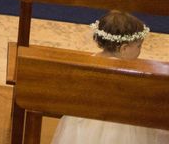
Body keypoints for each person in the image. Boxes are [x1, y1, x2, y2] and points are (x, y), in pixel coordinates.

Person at [52, 11, 169, 144]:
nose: (140, 51)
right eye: (138, 46)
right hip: (121, 125)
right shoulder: (128, 71)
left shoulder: (90, 60)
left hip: (85, 121)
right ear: (124, 48)